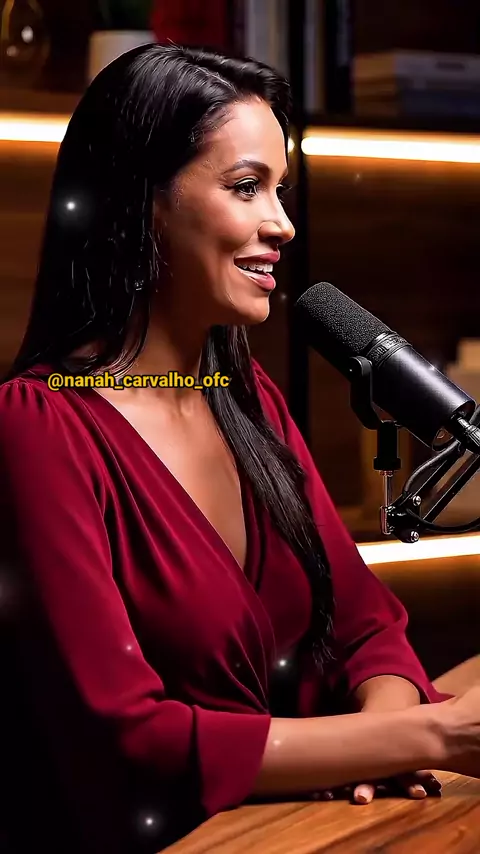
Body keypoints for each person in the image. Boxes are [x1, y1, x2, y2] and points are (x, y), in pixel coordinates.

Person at [0, 42, 478, 854]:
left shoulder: (249, 401)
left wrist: (380, 746)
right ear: (143, 201)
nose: (282, 224)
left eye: (280, 191)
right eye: (247, 187)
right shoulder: (37, 427)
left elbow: (368, 629)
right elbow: (129, 735)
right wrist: (427, 737)